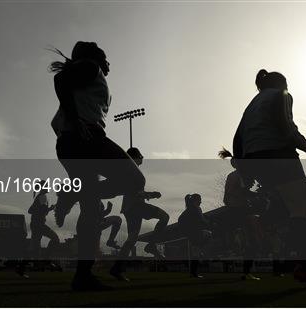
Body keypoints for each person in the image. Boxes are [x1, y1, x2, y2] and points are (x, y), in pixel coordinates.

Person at [49, 41, 145, 291]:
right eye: (104, 55)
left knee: (91, 209)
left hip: (71, 142)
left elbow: (65, 85)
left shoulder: (91, 73)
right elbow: (60, 80)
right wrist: (74, 118)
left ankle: (82, 276)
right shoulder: (90, 66)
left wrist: (71, 119)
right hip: (86, 138)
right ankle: (73, 193)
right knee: (135, 180)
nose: (107, 60)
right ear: (95, 57)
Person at [232, 69, 306, 287]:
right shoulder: (281, 95)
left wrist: (245, 168)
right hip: (278, 153)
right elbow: (286, 125)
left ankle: (278, 241)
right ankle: (304, 267)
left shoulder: (251, 104)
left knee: (287, 208)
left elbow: (238, 137)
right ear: (282, 84)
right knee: (300, 209)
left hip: (256, 158)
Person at [110, 147, 168, 282]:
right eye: (141, 155)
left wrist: (146, 194)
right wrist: (152, 194)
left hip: (130, 208)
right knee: (164, 216)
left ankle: (116, 269)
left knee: (132, 239)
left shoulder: (129, 172)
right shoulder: (132, 172)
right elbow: (136, 193)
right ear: (135, 157)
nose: (142, 158)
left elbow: (135, 191)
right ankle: (152, 245)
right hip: (136, 206)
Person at [219, 148, 261, 281]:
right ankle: (246, 270)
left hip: (233, 209)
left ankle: (234, 245)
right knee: (252, 240)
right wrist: (259, 195)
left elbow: (226, 198)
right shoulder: (240, 175)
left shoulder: (230, 176)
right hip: (241, 209)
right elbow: (244, 192)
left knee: (246, 239)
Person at [177, 193, 211, 278]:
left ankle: (194, 270)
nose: (201, 202)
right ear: (196, 201)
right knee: (209, 234)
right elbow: (202, 220)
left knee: (195, 252)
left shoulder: (188, 209)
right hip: (195, 233)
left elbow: (180, 219)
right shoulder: (196, 208)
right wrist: (210, 223)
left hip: (190, 233)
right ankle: (200, 253)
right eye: (199, 200)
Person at [28, 184, 60, 259]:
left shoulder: (39, 197)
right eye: (47, 186)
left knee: (35, 246)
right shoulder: (42, 197)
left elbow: (31, 210)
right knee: (55, 239)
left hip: (35, 224)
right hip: (39, 225)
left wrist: (48, 209)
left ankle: (35, 263)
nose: (49, 187)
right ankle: (45, 258)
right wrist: (50, 208)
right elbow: (41, 210)